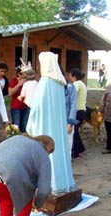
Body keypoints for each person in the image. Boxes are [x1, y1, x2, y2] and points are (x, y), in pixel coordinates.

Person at [27, 51, 77, 194]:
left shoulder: (45, 82)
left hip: (44, 125)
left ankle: (46, 186)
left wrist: (30, 122)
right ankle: (61, 182)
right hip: (56, 126)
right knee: (58, 152)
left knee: (44, 153)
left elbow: (37, 106)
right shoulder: (59, 83)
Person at [69, 68, 87, 160]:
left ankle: (75, 153)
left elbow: (70, 95)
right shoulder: (82, 84)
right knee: (76, 131)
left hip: (77, 110)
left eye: (70, 75)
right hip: (82, 110)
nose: (69, 77)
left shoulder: (76, 84)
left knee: (74, 132)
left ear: (74, 76)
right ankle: (81, 148)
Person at [61, 68, 78, 154]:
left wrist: (70, 124)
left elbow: (73, 106)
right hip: (56, 121)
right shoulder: (52, 88)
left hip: (67, 120)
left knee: (67, 146)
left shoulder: (70, 87)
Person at [8, 68, 28, 132]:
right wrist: (19, 84)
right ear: (18, 74)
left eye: (24, 74)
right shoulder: (13, 81)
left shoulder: (28, 82)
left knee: (24, 126)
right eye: (21, 73)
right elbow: (10, 93)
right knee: (16, 126)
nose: (22, 76)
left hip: (26, 107)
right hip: (16, 107)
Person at [99, 84, 111, 154]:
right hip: (108, 114)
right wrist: (101, 111)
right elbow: (103, 100)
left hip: (108, 113)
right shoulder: (109, 87)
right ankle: (109, 147)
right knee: (109, 131)